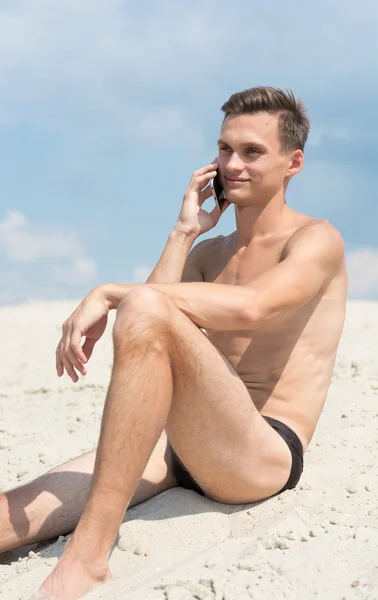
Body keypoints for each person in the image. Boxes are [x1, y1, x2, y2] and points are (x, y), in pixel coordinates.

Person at [0, 87, 347, 600]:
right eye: (225, 149)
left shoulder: (316, 240)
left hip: (261, 453)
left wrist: (108, 292)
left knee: (142, 305)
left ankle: (87, 559)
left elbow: (252, 307)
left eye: (252, 152)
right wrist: (184, 232)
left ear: (293, 162)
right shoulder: (209, 253)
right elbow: (144, 326)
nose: (233, 164)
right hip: (181, 444)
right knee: (13, 512)